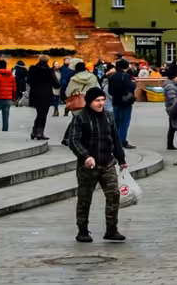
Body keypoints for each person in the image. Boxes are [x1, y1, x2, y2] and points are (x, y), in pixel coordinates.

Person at [61, 86, 127, 243]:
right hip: (88, 166)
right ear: (89, 101)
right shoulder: (80, 118)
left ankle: (111, 229)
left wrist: (121, 159)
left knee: (114, 195)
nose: (101, 103)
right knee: (85, 198)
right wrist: (85, 156)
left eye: (103, 100)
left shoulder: (109, 116)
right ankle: (82, 230)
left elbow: (115, 139)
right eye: (97, 100)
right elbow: (73, 141)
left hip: (107, 163)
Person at [105, 58, 138, 149]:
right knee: (124, 122)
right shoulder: (126, 76)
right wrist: (133, 84)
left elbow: (110, 91)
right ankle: (122, 141)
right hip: (125, 102)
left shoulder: (112, 76)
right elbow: (131, 87)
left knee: (116, 122)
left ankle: (114, 140)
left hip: (115, 101)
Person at [27, 58, 58, 141]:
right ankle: (39, 132)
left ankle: (34, 131)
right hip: (45, 95)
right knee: (43, 114)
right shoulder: (49, 71)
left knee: (40, 113)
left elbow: (29, 81)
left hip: (35, 94)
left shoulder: (32, 69)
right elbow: (56, 84)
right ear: (47, 61)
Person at [0, 62, 18, 132]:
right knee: (5, 117)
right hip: (7, 99)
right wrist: (13, 97)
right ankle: (5, 131)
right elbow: (14, 89)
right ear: (5, 66)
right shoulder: (11, 76)